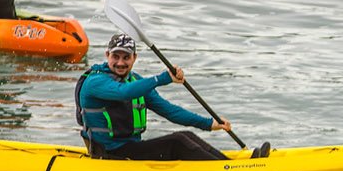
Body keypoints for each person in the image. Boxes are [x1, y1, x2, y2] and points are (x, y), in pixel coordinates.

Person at [75, 33, 270, 161]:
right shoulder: (96, 82)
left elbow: (169, 111)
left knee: (187, 136)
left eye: (126, 57)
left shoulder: (135, 81)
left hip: (130, 148)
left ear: (134, 58)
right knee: (177, 142)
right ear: (107, 55)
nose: (120, 62)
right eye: (115, 56)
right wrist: (163, 78)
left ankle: (227, 166)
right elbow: (123, 93)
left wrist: (209, 123)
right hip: (110, 154)